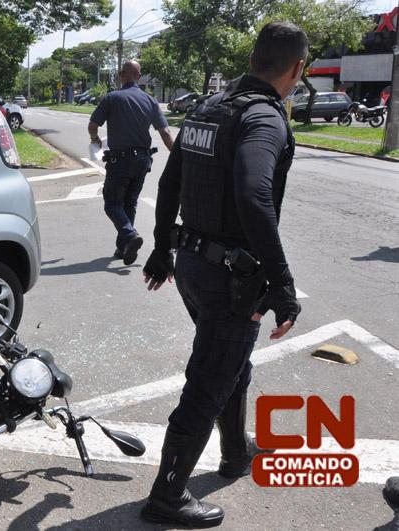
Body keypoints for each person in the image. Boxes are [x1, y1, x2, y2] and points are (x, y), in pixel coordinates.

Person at [139, 22, 307, 527]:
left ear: (253, 60)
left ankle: (236, 452)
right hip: (230, 278)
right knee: (209, 380)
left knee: (230, 362)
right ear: (297, 69)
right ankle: (167, 496)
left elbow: (170, 182)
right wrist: (283, 283)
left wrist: (161, 247)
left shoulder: (207, 110)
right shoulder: (264, 118)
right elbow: (254, 196)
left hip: (194, 265)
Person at [88, 61, 174, 266]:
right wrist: (179, 157)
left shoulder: (112, 98)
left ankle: (130, 235)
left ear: (122, 75)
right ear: (139, 76)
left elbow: (93, 126)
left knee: (112, 203)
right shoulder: (150, 100)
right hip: (143, 160)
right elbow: (165, 132)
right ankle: (123, 247)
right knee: (130, 203)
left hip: (120, 161)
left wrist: (95, 139)